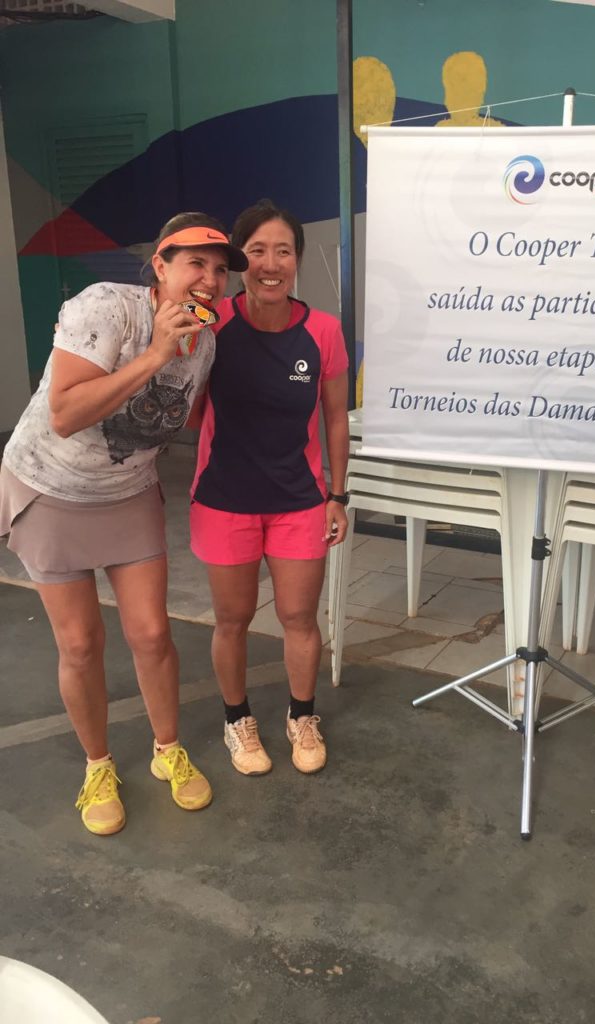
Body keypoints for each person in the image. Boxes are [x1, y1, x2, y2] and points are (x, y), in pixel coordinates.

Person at [0, 212, 248, 836]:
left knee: (152, 634)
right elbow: (64, 414)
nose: (210, 279)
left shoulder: (205, 341)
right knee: (81, 644)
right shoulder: (106, 308)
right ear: (160, 267)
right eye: (196, 264)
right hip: (50, 488)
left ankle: (168, 750)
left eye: (220, 270)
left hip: (126, 491)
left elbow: (190, 417)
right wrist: (158, 354)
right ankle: (98, 766)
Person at [189, 199, 350, 777]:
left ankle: (302, 716)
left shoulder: (323, 331)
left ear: (297, 259)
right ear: (239, 261)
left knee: (299, 617)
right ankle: (237, 720)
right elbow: (185, 404)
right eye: (257, 250)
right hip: (224, 500)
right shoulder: (212, 323)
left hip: (298, 502)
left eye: (283, 250)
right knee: (231, 619)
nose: (271, 263)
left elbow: (336, 418)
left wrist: (338, 495)